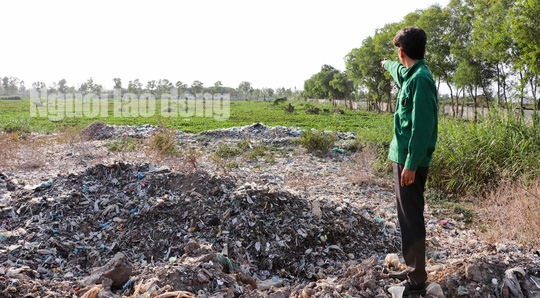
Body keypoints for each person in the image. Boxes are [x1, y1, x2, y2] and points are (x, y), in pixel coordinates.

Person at [381, 27, 438, 296]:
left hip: (408, 163)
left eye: (397, 54)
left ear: (402, 51)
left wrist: (411, 165)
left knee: (411, 219)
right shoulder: (410, 74)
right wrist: (387, 64)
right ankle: (414, 271)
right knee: (406, 218)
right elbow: (398, 70)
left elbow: (422, 127)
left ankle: (416, 282)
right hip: (403, 160)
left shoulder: (421, 80)